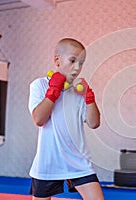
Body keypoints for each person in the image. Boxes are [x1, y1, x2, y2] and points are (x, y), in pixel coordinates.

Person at [28, 38, 104, 200]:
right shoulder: (40, 85)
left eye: (82, 63)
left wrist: (89, 99)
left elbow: (94, 123)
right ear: (57, 60)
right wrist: (53, 91)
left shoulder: (78, 91)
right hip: (48, 160)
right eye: (73, 60)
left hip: (78, 161)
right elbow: (39, 119)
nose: (77, 67)